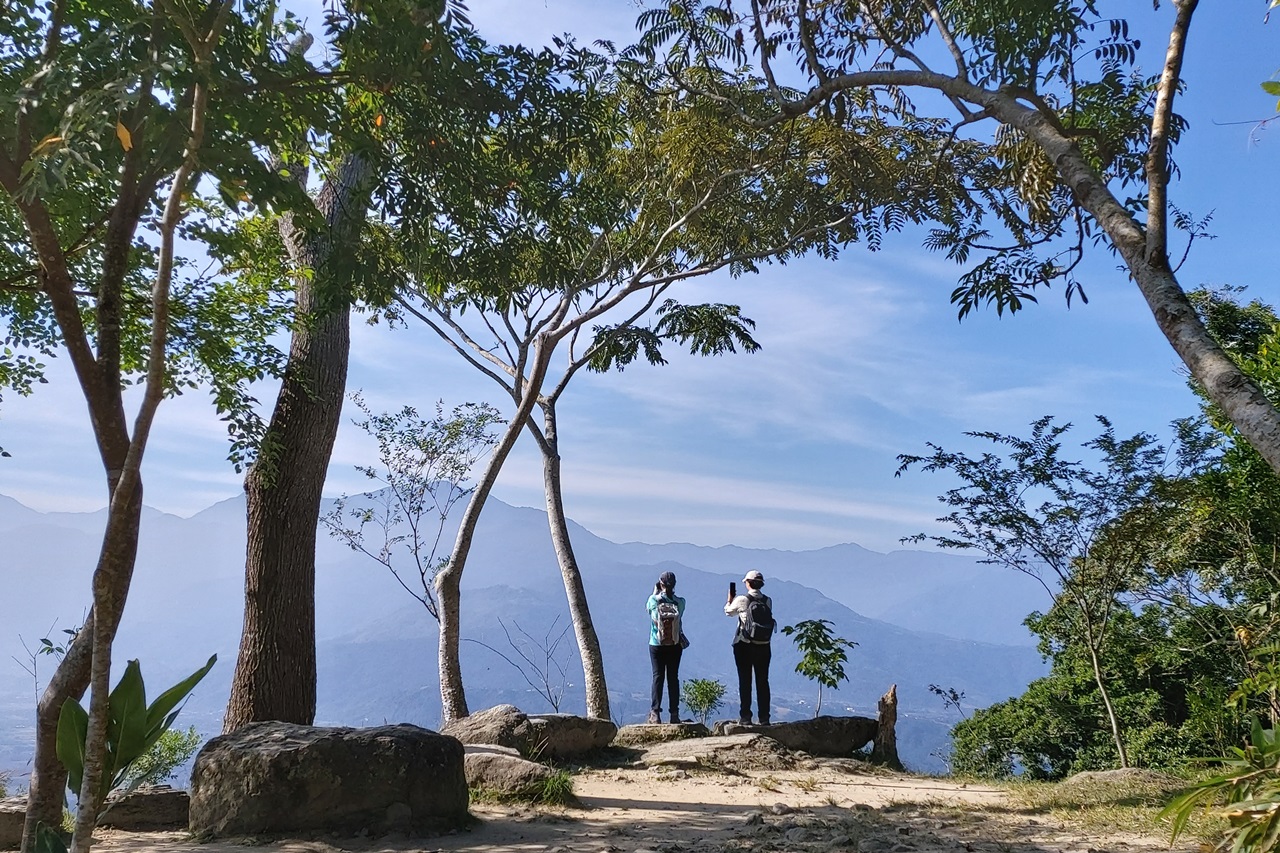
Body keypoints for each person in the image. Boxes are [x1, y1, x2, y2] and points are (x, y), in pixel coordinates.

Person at [725, 569, 773, 725]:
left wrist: (729, 600)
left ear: (748, 583)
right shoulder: (768, 600)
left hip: (744, 645)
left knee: (745, 681)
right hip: (764, 646)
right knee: (762, 681)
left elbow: (728, 612)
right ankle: (764, 718)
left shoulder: (742, 600)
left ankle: (746, 717)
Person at [646, 570, 686, 724]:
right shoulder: (680, 602)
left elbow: (649, 610)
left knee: (658, 676)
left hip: (656, 643)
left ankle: (655, 713)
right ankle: (674, 714)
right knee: (673, 678)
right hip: (675, 644)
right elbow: (680, 614)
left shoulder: (653, 600)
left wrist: (656, 591)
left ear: (660, 584)